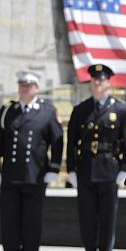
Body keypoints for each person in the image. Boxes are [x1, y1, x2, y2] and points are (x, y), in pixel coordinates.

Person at [66, 63, 126, 251]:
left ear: (108, 83)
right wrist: (71, 169)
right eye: (94, 80)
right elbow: (72, 142)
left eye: (101, 79)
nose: (97, 83)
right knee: (87, 218)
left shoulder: (121, 110)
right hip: (85, 171)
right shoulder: (80, 110)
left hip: (109, 172)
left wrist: (125, 169)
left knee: (107, 218)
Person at [0, 70, 64, 251]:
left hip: (34, 176)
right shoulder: (7, 111)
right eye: (21, 85)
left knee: (31, 223)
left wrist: (54, 168)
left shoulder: (47, 112)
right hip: (10, 176)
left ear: (36, 88)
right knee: (9, 223)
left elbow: (57, 141)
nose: (24, 89)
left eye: (28, 86)